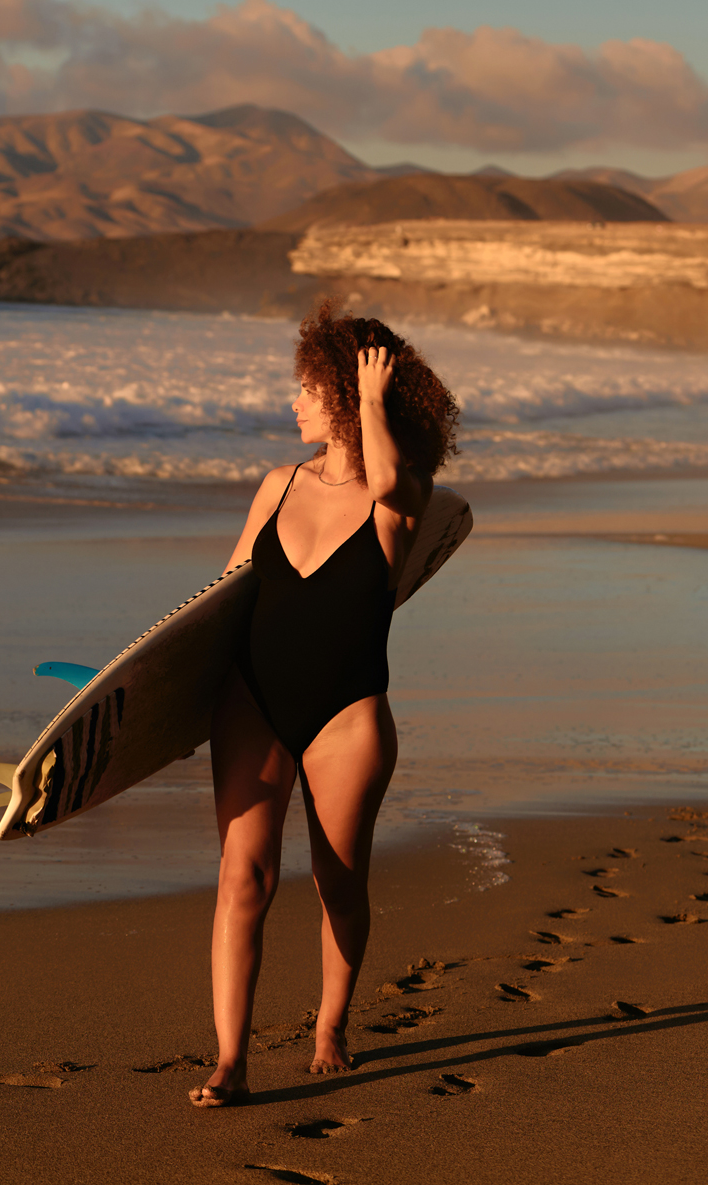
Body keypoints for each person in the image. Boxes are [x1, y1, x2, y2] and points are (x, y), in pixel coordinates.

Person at [190, 303, 461, 1108]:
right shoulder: (278, 485)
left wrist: (374, 403)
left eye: (308, 389)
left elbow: (382, 478)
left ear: (346, 396)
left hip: (347, 714)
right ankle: (230, 1061)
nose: (294, 405)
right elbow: (221, 600)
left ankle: (330, 1026)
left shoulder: (405, 493)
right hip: (252, 702)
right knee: (244, 877)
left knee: (338, 883)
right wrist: (167, 706)